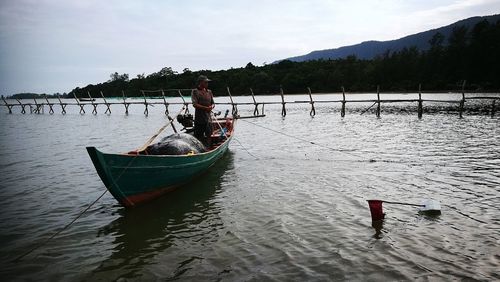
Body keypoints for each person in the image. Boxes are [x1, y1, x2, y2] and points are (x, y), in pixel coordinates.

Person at [191, 75, 215, 145]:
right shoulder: (195, 91)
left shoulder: (209, 92)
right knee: (198, 136)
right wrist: (206, 108)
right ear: (200, 82)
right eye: (205, 82)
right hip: (199, 118)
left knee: (209, 134)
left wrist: (211, 107)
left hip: (208, 118)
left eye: (207, 82)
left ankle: (208, 147)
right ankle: (200, 148)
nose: (207, 84)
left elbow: (213, 103)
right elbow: (195, 104)